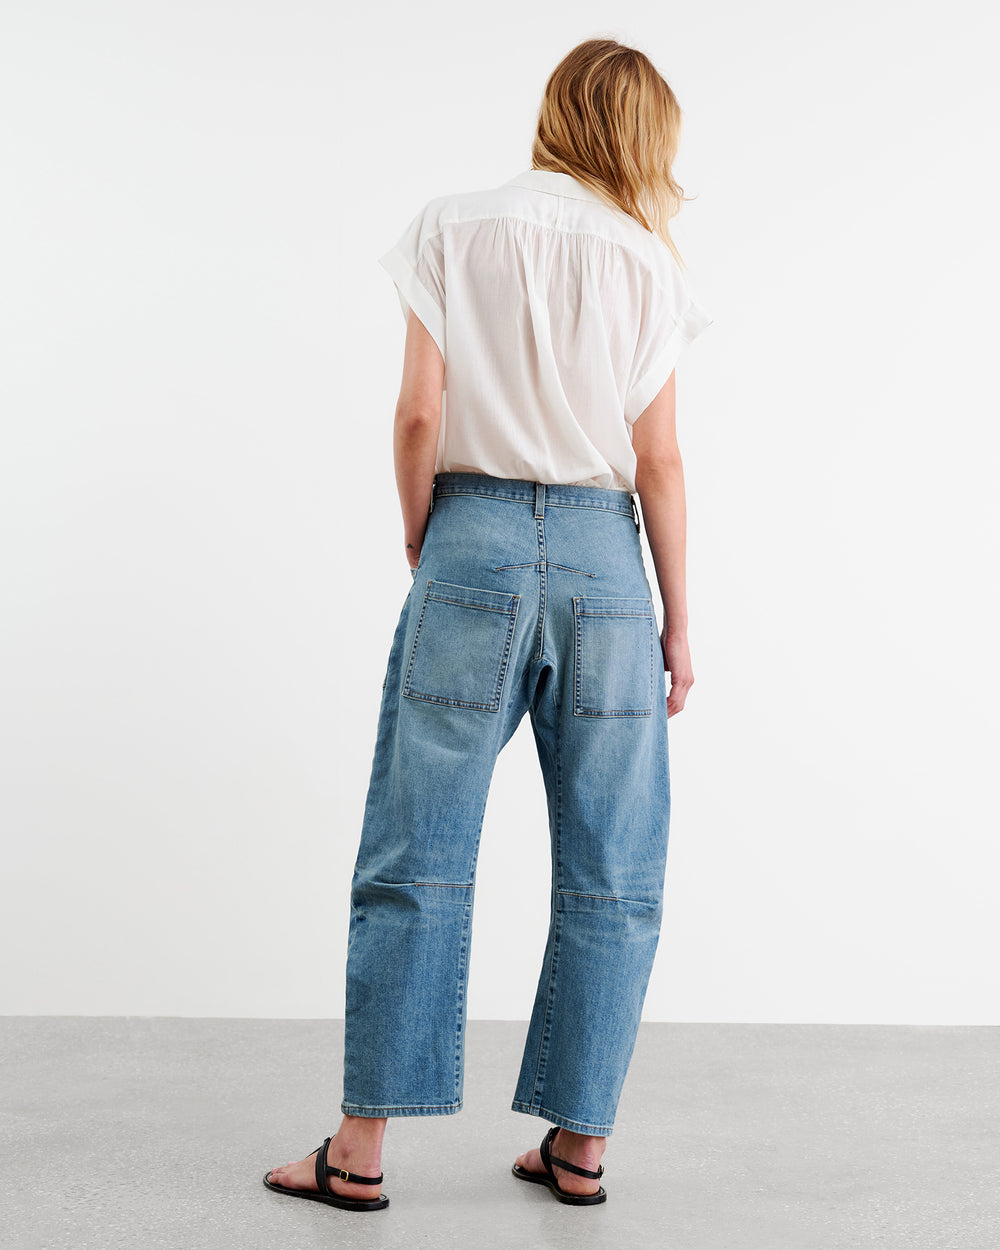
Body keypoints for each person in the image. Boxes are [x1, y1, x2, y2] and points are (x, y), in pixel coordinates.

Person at [263, 35, 713, 1213]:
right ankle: (579, 1144)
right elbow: (659, 459)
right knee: (615, 866)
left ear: (556, 111)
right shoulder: (649, 264)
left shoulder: (452, 225)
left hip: (471, 537)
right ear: (644, 140)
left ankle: (360, 1149)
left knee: (417, 846)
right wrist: (677, 621)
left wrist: (426, 530)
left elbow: (420, 414)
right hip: (609, 566)